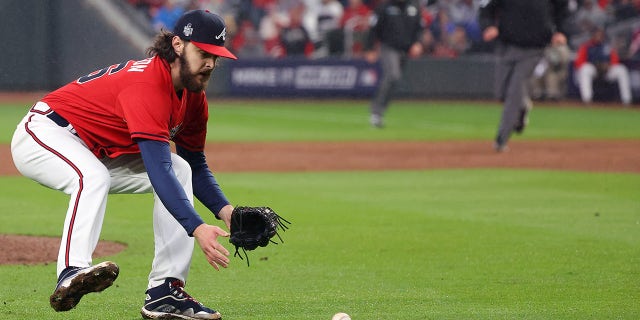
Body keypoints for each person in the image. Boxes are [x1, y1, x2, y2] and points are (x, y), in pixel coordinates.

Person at [11, 10, 238, 319]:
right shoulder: (147, 85)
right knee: (92, 177)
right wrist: (197, 227)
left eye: (216, 55)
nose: (210, 63)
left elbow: (194, 164)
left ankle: (164, 292)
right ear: (179, 45)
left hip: (93, 149)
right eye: (203, 52)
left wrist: (229, 213)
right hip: (44, 132)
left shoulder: (194, 96)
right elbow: (157, 169)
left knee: (180, 169)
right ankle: (70, 270)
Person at [479, 0, 569, 152]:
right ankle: (523, 106)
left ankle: (501, 138)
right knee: (501, 92)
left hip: (534, 48)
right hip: (507, 45)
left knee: (515, 90)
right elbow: (486, 9)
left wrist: (560, 31)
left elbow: (562, 9)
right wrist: (488, 26)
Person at [364, 0, 425, 128]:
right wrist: (369, 48)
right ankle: (376, 111)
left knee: (394, 81)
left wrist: (418, 43)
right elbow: (373, 29)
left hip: (405, 50)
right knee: (393, 75)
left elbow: (420, 28)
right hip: (388, 48)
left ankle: (379, 112)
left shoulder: (413, 8)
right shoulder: (384, 8)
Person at [574, 27, 633, 105]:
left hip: (606, 71)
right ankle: (587, 99)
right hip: (593, 71)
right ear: (593, 36)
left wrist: (609, 66)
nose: (599, 37)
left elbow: (615, 60)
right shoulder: (586, 46)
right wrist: (595, 65)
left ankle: (627, 100)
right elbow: (578, 63)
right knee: (585, 69)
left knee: (622, 70)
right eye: (597, 35)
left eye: (601, 35)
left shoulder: (607, 46)